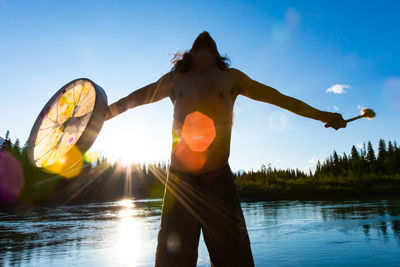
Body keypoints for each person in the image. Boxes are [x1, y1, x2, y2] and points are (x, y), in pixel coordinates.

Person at [105, 31, 347, 267]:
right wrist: (103, 115)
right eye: (200, 41)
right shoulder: (174, 80)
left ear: (215, 52)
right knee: (172, 260)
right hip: (180, 183)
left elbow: (280, 98)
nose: (205, 36)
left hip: (218, 180)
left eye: (209, 42)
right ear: (191, 52)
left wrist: (323, 115)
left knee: (234, 257)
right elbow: (134, 98)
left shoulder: (231, 77)